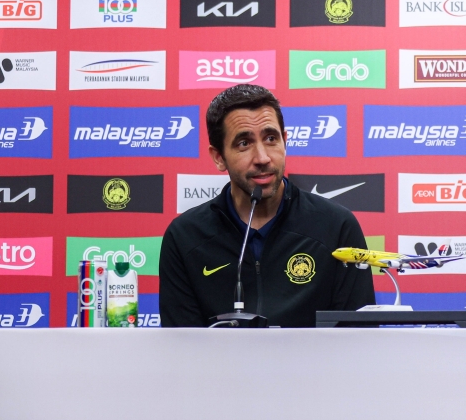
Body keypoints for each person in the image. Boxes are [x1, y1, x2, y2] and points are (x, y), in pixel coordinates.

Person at [160, 85, 375, 327]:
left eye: (271, 139)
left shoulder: (336, 227)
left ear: (285, 141)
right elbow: (181, 348)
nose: (262, 157)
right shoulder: (185, 237)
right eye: (244, 143)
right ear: (219, 157)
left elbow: (359, 339)